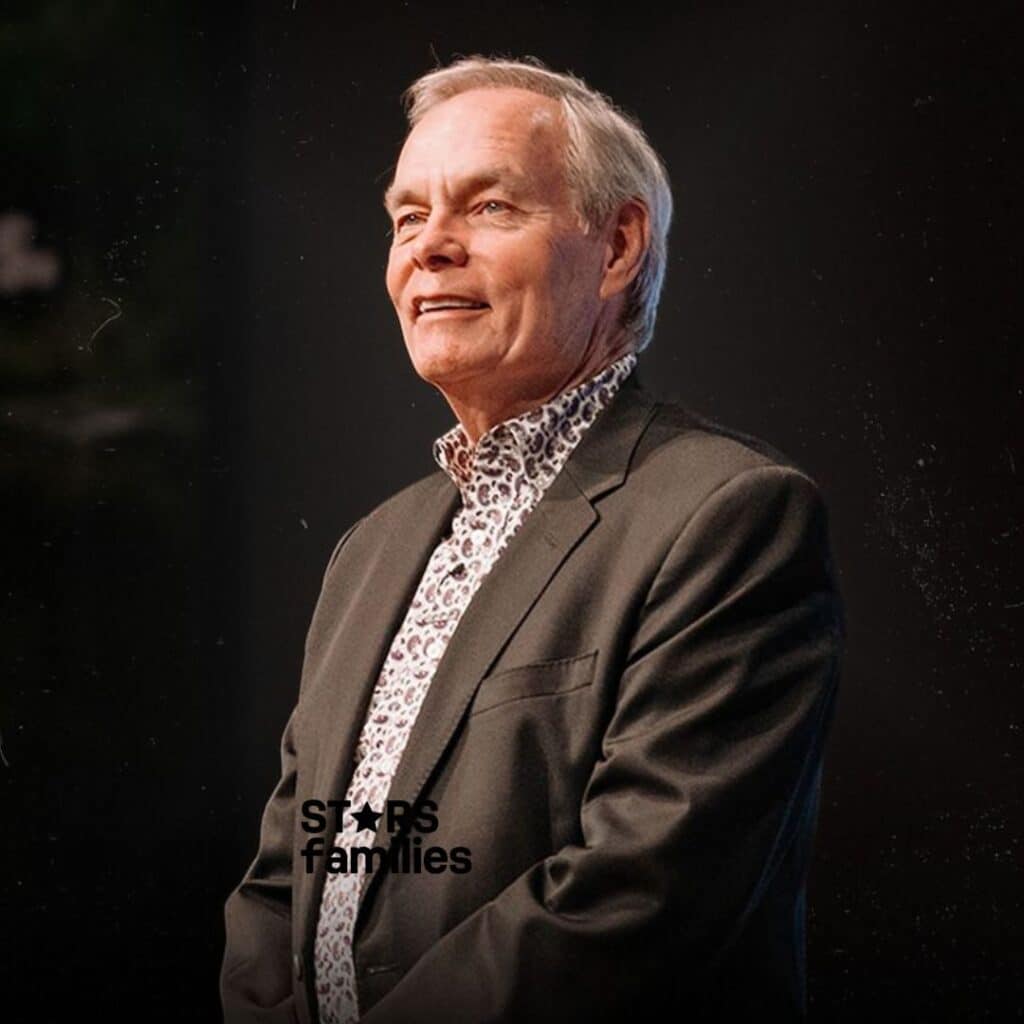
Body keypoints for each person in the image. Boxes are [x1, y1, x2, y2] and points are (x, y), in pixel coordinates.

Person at [220, 55, 845, 1024]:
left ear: (617, 244)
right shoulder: (371, 549)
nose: (429, 247)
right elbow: (285, 872)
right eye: (406, 215)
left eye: (488, 207)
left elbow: (641, 892)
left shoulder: (727, 513)